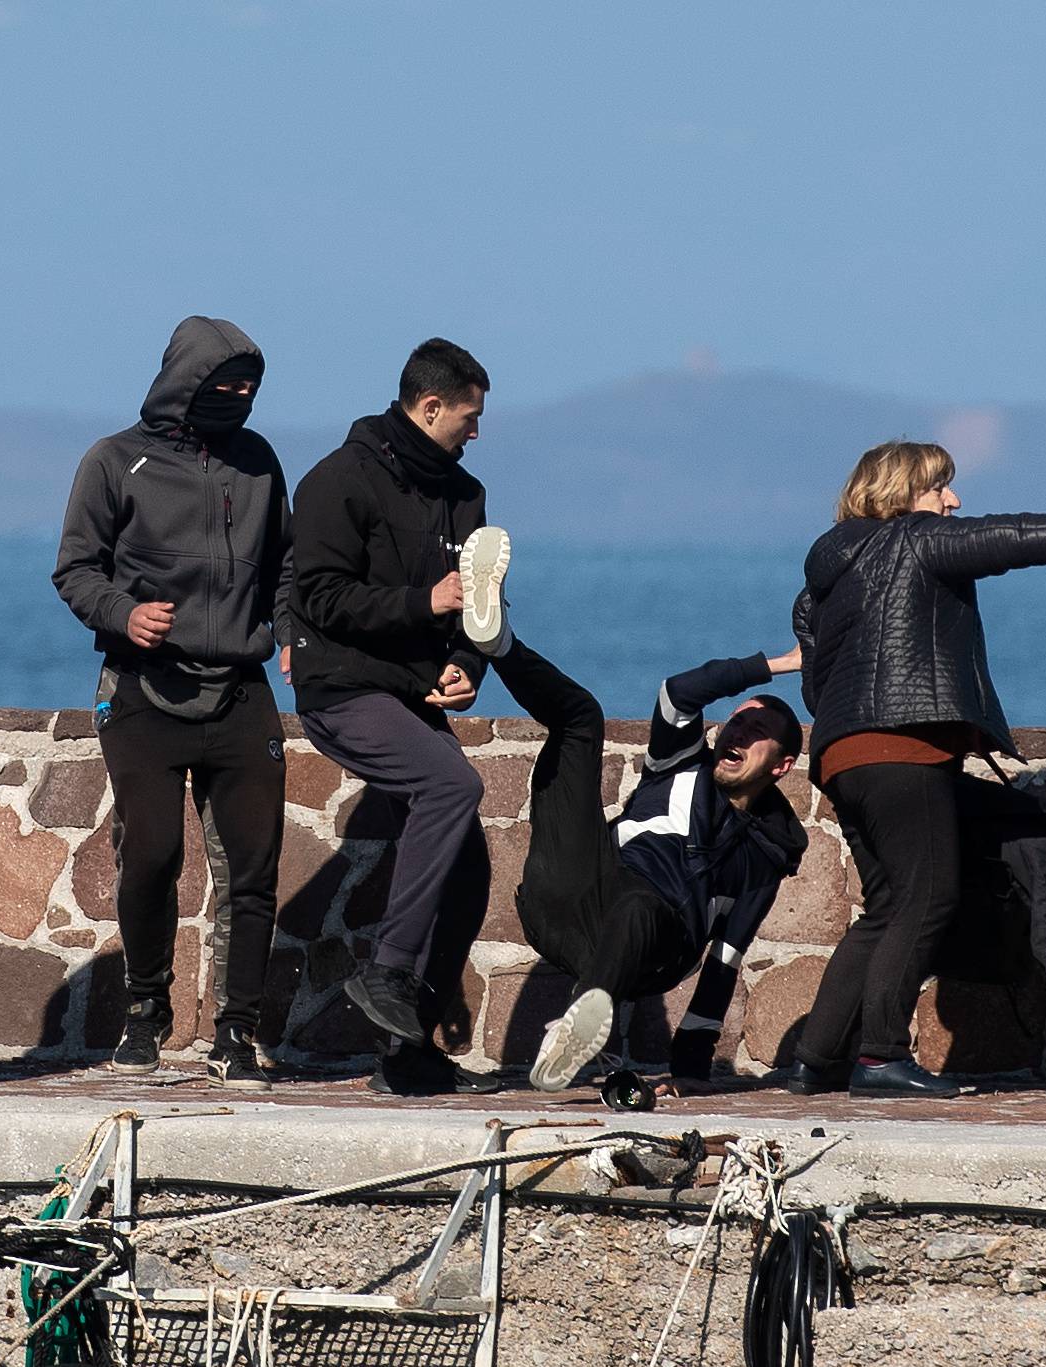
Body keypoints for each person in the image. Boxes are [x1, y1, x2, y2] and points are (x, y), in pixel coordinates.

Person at [787, 440, 1046, 1097]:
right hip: (903, 748)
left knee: (884, 909)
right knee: (929, 896)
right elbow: (1011, 537)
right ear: (901, 494)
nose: (952, 501)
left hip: (842, 756)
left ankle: (816, 1060)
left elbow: (817, 687)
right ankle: (878, 1057)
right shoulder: (917, 540)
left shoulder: (825, 578)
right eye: (939, 488)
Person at [53, 317, 292, 1091]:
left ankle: (236, 1031)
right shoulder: (115, 460)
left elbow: (286, 568)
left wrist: (290, 635)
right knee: (151, 855)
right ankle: (144, 1011)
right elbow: (74, 570)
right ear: (187, 382)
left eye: (251, 386)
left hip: (240, 693)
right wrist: (125, 614)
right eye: (226, 384)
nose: (241, 398)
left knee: (252, 869)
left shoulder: (259, 463)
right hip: (143, 691)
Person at [467, 600, 808, 1099]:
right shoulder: (678, 764)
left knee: (641, 905)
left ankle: (576, 1025)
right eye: (736, 723)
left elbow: (726, 958)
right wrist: (776, 665)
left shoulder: (766, 853)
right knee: (582, 718)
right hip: (567, 911)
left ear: (782, 765)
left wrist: (690, 1067)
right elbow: (678, 693)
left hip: (657, 950)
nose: (739, 733)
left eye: (758, 733)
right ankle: (498, 645)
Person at [288, 339, 508, 1097]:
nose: (475, 432)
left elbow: (481, 607)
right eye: (468, 418)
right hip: (341, 689)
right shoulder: (339, 480)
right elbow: (316, 597)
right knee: (452, 785)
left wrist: (467, 667)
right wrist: (424, 602)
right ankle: (385, 971)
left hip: (414, 696)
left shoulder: (467, 497)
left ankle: (407, 1055)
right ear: (430, 406)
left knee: (470, 874)